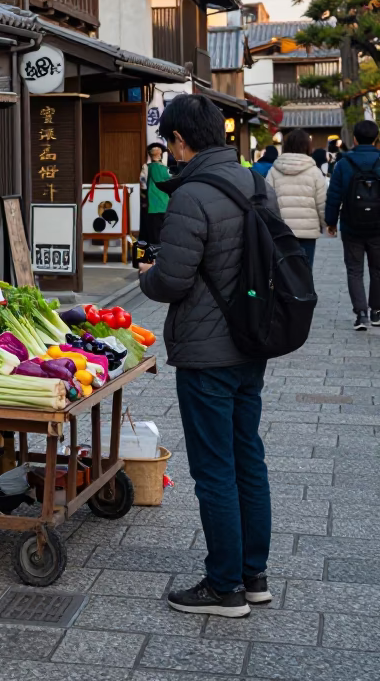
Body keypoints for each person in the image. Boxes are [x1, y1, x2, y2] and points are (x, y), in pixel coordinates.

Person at [137, 93, 278, 618]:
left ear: (179, 140)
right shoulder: (255, 183)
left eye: (170, 142)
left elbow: (172, 280)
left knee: (215, 468)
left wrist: (145, 277)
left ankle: (224, 587)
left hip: (206, 353)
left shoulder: (191, 195)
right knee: (249, 458)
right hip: (252, 342)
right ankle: (253, 575)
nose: (170, 152)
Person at [325, 118, 380, 330]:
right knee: (378, 269)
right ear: (375, 138)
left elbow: (334, 195)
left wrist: (330, 222)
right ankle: (376, 312)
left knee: (354, 270)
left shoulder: (343, 163)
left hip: (351, 225)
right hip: (378, 227)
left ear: (354, 139)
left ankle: (361, 315)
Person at [267, 128, 327, 271]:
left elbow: (267, 201)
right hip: (307, 232)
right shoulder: (314, 172)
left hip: (282, 232)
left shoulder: (274, 171)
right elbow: (322, 202)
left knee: (284, 273)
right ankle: (304, 293)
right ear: (307, 146)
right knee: (305, 271)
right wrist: (326, 224)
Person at [139, 142, 170, 242]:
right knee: (164, 233)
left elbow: (142, 184)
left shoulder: (147, 167)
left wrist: (143, 198)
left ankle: (154, 255)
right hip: (166, 205)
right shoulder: (167, 169)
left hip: (152, 206)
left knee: (153, 234)